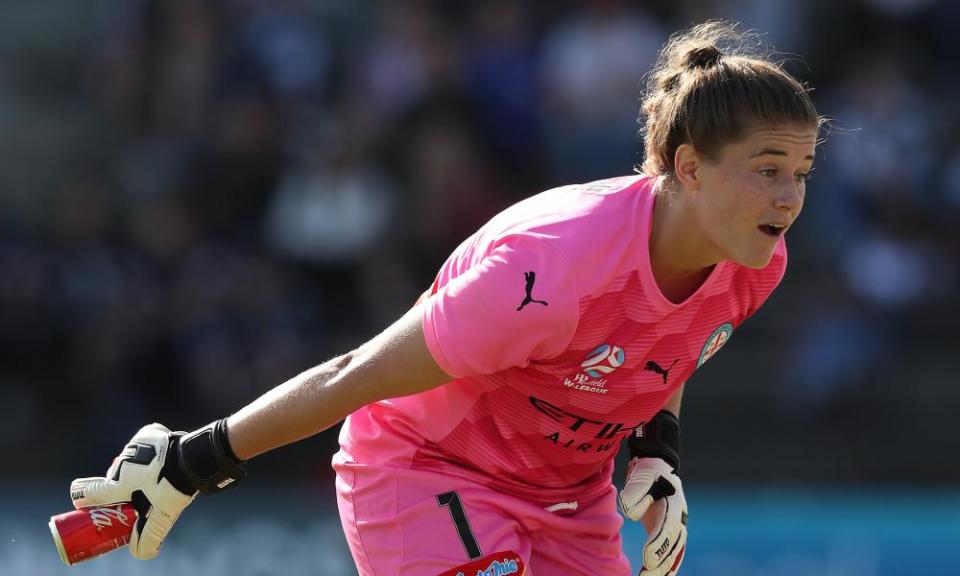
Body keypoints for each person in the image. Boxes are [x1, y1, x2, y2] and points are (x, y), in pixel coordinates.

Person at [69, 20, 822, 576]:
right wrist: (194, 459)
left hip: (567, 499)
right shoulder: (548, 276)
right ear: (689, 167)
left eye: (801, 171)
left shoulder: (755, 259)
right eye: (766, 169)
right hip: (426, 471)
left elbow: (669, 347)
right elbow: (352, 374)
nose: (789, 197)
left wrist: (658, 452)